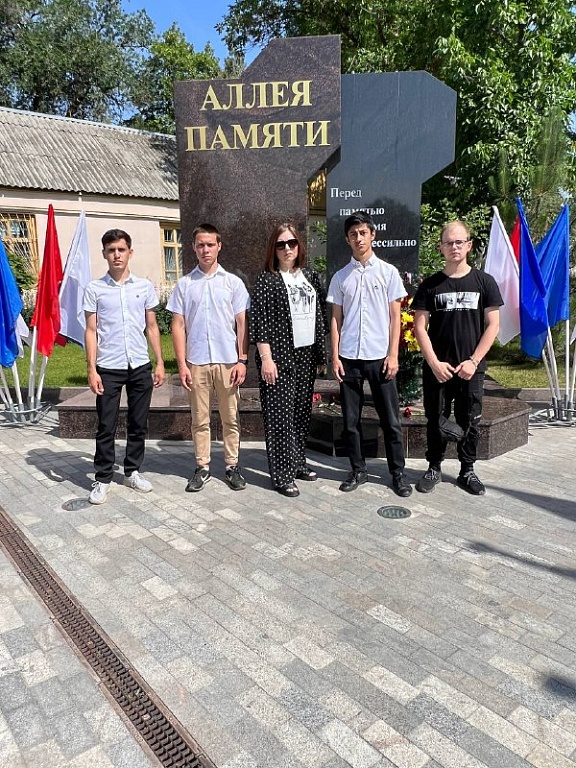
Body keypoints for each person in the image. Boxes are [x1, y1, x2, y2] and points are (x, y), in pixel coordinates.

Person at [412, 220, 503, 495]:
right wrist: (433, 363)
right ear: (441, 247)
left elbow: (493, 325)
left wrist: (474, 361)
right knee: (435, 419)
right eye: (449, 242)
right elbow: (419, 327)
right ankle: (434, 467)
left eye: (459, 242)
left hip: (470, 368)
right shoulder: (430, 285)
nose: (454, 247)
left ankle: (467, 470)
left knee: (470, 420)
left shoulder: (484, 282)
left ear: (469, 245)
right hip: (438, 368)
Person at [327, 211, 412, 497]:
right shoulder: (341, 277)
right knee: (351, 421)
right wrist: (335, 356)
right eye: (353, 234)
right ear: (347, 239)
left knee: (390, 420)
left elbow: (395, 318)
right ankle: (358, 469)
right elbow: (336, 319)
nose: (359, 238)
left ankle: (397, 473)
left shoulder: (388, 273)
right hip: (349, 357)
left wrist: (393, 355)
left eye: (363, 232)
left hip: (380, 357)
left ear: (372, 235)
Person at [84, 228, 165, 505]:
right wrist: (91, 369)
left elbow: (152, 326)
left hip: (139, 364)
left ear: (130, 252)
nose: (116, 255)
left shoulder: (143, 287)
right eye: (111, 250)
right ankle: (103, 478)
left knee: (138, 423)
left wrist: (160, 362)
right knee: (106, 425)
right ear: (104, 254)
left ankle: (131, 471)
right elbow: (91, 331)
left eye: (121, 249)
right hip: (108, 366)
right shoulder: (95, 289)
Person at [167, 223, 250, 492]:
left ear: (219, 246)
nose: (205, 249)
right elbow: (178, 325)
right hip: (197, 362)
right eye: (200, 245)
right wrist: (182, 365)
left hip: (228, 361)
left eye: (210, 244)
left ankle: (232, 466)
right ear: (193, 247)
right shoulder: (184, 285)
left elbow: (242, 323)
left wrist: (242, 360)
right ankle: (202, 467)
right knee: (199, 420)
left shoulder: (233, 283)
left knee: (231, 417)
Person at [251, 223, 328, 497]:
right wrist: (266, 358)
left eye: (292, 243)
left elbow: (320, 314)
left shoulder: (310, 275)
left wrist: (321, 353)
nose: (287, 249)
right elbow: (259, 322)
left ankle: (297, 463)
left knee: (300, 413)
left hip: (305, 354)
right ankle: (282, 475)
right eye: (281, 244)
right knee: (280, 416)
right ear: (274, 248)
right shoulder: (266, 280)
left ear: (299, 246)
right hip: (279, 356)